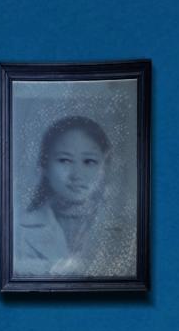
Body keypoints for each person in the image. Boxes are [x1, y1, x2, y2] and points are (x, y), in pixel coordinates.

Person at [12, 115, 129, 277]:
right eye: (64, 160)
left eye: (89, 161)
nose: (77, 175)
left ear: (105, 168)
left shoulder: (126, 230)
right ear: (44, 166)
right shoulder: (18, 230)